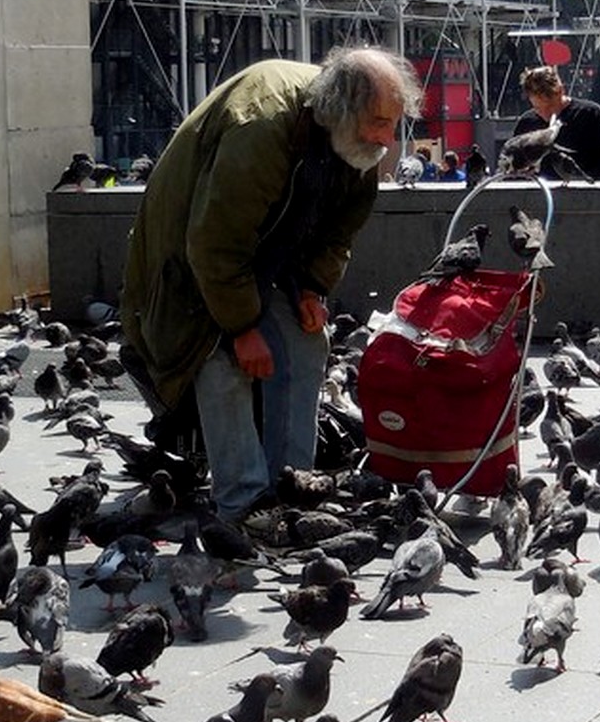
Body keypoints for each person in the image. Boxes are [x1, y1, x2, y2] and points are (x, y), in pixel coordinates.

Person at [119, 47, 421, 520]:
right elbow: (214, 244)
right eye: (379, 122)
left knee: (308, 342)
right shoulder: (261, 126)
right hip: (188, 259)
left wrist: (310, 290)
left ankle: (296, 490)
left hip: (262, 253)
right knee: (220, 358)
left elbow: (339, 230)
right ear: (340, 111)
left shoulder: (356, 143)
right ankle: (243, 503)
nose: (387, 138)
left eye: (393, 123)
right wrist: (242, 328)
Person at [511, 65, 600, 179]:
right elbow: (511, 173)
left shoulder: (590, 114)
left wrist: (579, 180)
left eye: (550, 106)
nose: (546, 114)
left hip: (582, 193)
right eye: (537, 108)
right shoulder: (526, 123)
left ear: (561, 91)